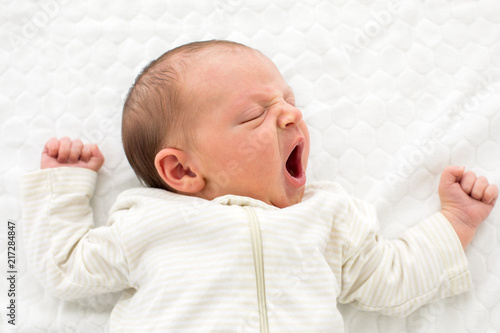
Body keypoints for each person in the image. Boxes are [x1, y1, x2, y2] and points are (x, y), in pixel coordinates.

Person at [21, 40, 498, 332]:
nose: (291, 114)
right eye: (255, 114)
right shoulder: (148, 223)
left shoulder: (326, 217)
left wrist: (454, 222)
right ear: (183, 172)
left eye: (288, 101)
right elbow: (66, 266)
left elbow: (391, 277)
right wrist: (63, 187)